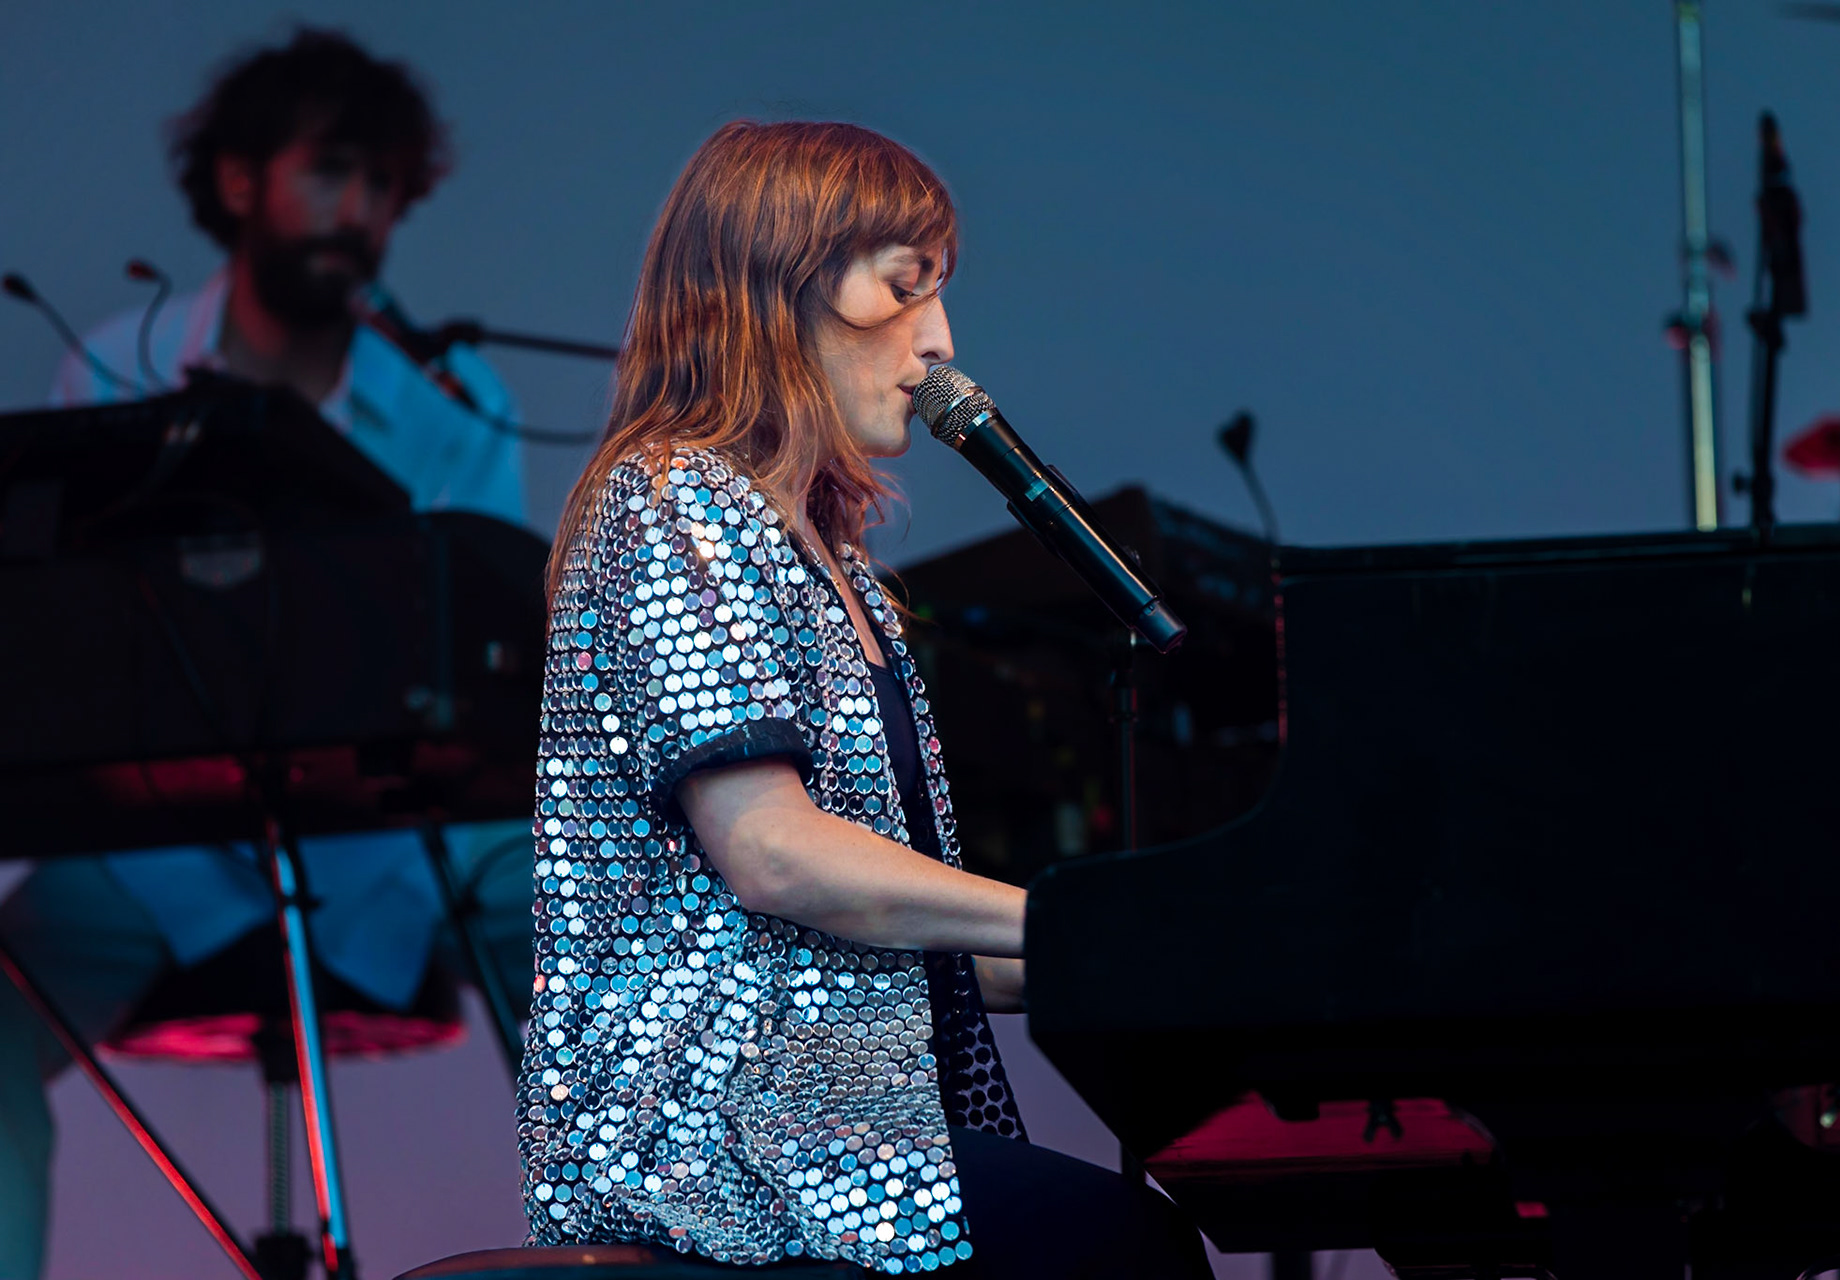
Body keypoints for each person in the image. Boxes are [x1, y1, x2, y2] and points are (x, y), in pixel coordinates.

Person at [519, 120, 1213, 1279]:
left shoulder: (835, 565)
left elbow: (908, 944)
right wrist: (1073, 924)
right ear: (781, 285)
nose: (939, 343)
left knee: (1129, 1236)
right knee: (1124, 1246)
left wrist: (1171, 956)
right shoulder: (672, 500)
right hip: (720, 1134)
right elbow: (778, 858)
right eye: (904, 290)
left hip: (835, 1116)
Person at [0, 29, 533, 1278]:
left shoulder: (459, 401)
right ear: (239, 182)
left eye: (384, 189)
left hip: (398, 840)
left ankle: (665, 1252)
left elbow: (490, 670)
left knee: (607, 946)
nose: (360, 214)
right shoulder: (116, 365)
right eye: (332, 171)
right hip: (167, 849)